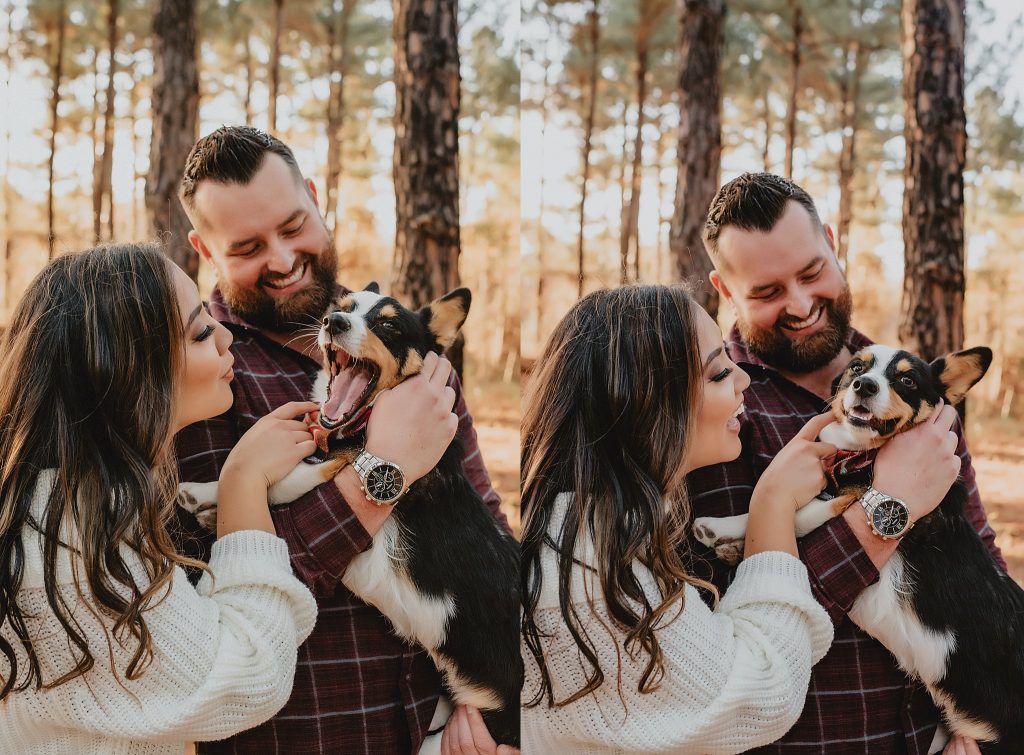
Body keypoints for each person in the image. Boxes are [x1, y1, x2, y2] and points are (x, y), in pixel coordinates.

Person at [173, 125, 513, 754]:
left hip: (440, 731)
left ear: (313, 195)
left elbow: (484, 526)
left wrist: (507, 711)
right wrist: (381, 471)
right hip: (302, 737)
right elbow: (207, 597)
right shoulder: (200, 374)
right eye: (247, 245)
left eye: (293, 224)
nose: (281, 259)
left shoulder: (406, 350)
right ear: (204, 248)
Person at [688, 171, 1004, 755]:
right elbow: (717, 617)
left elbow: (977, 552)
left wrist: (980, 712)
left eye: (811, 272)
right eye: (767, 291)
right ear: (725, 290)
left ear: (832, 242)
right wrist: (889, 508)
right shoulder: (710, 409)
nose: (802, 305)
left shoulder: (913, 396)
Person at [0, 243, 318, 753]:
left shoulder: (68, 507)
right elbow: (241, 676)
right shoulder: (70, 546)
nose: (225, 336)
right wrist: (243, 483)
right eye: (198, 331)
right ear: (122, 370)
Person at [524, 284, 852, 752]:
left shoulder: (592, 531)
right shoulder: (588, 567)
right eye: (719, 373)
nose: (744, 380)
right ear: (645, 402)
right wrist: (773, 505)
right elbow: (760, 695)